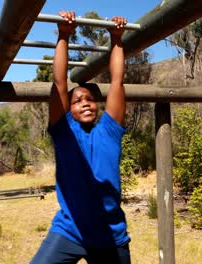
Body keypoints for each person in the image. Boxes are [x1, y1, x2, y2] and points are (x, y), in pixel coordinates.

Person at [31, 11, 130, 264]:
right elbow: (60, 83)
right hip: (70, 230)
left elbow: (117, 82)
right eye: (77, 101)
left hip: (110, 234)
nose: (85, 103)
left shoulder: (109, 131)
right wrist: (64, 34)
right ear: (69, 109)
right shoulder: (65, 132)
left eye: (90, 100)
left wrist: (116, 39)